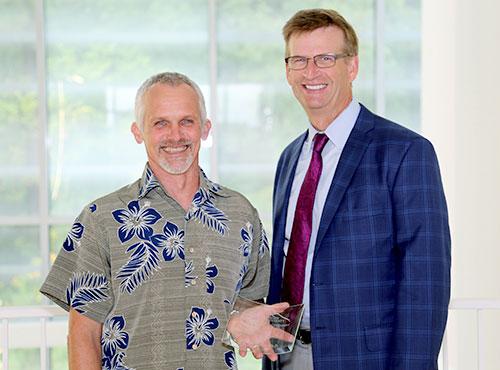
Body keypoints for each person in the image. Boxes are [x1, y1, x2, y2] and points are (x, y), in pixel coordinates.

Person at [40, 72, 289, 370]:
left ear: (205, 129)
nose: (175, 135)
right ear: (138, 132)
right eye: (160, 123)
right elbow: (83, 335)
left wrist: (240, 317)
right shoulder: (100, 219)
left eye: (187, 121)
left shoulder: (241, 215)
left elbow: (252, 303)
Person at [264, 9, 451, 370]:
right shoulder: (289, 159)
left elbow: (426, 284)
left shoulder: (405, 152)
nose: (311, 71)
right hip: (288, 356)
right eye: (299, 60)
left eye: (325, 58)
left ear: (352, 67)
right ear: (287, 71)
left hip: (368, 360)